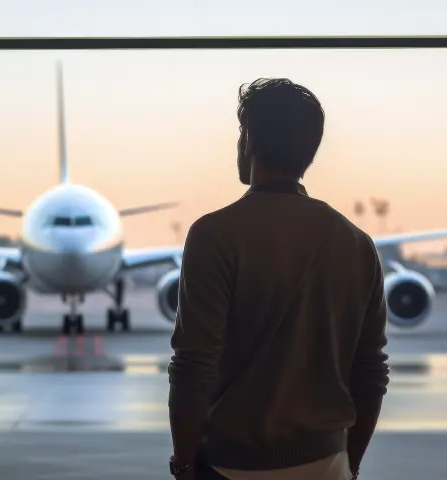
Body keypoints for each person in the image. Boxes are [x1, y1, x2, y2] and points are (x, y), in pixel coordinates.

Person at [166, 78, 390, 480]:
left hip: (232, 466)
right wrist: (349, 465)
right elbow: (370, 373)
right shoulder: (357, 244)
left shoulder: (215, 235)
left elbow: (193, 366)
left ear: (248, 138)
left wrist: (184, 463)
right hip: (329, 464)